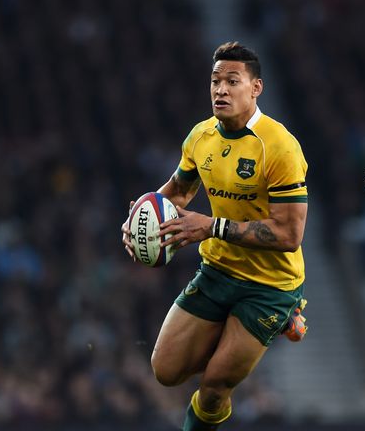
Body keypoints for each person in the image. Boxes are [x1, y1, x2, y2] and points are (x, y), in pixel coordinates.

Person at [121, 41, 308, 431]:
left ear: (255, 88)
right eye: (215, 81)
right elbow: (176, 192)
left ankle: (277, 318)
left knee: (214, 386)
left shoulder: (279, 147)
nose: (220, 89)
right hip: (218, 271)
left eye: (232, 81)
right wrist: (141, 217)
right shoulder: (201, 136)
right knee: (165, 371)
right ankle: (249, 330)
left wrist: (210, 226)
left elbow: (290, 234)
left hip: (269, 286)